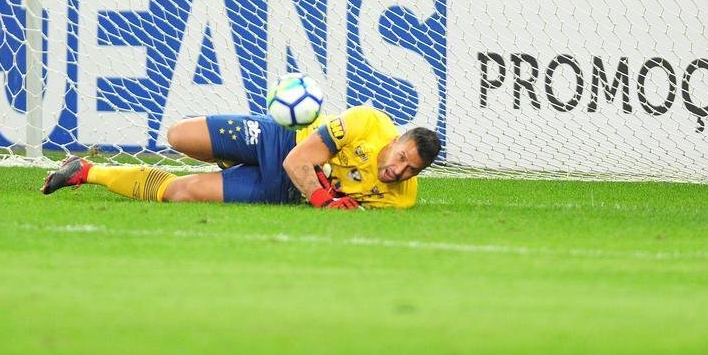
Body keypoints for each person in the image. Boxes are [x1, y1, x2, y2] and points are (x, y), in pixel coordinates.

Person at [41, 104, 442, 210]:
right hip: (281, 143)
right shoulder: (366, 122)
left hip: (280, 189)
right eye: (402, 156)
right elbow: (297, 160)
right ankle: (232, 158)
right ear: (395, 139)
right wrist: (325, 200)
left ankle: (85, 171)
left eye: (411, 169)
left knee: (181, 193)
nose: (398, 170)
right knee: (179, 135)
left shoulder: (401, 197)